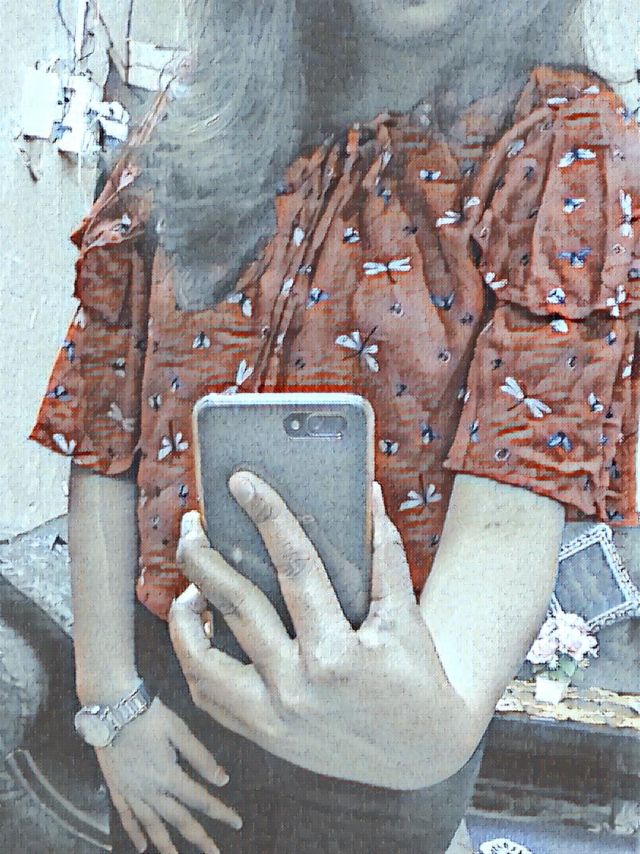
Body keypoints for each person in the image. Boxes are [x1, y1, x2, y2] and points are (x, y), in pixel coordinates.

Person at [29, 1, 640, 851]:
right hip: (169, 691)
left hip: (381, 718)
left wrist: (429, 728)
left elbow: (519, 482)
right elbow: (104, 418)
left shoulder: (560, 136)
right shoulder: (202, 112)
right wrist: (110, 700)